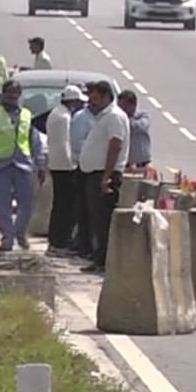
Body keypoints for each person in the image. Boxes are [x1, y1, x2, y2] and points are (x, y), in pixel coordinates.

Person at [0, 79, 46, 251]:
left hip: (24, 164)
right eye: (9, 92)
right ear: (4, 93)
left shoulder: (27, 115)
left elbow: (35, 141)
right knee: (2, 204)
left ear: (20, 95)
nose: (12, 96)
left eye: (16, 92)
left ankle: (20, 233)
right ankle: (7, 237)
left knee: (27, 203)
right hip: (1, 165)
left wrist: (40, 163)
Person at [78, 81, 129, 273]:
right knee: (97, 220)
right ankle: (99, 258)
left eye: (97, 99)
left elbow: (115, 145)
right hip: (96, 173)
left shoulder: (114, 117)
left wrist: (106, 176)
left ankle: (103, 261)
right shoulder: (104, 117)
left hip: (104, 174)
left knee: (102, 220)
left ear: (107, 96)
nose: (93, 103)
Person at [47, 85, 85, 256]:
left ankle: (56, 241)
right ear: (72, 102)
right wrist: (72, 164)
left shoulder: (55, 113)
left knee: (59, 205)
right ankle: (60, 242)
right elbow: (65, 143)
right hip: (64, 167)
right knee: (65, 207)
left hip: (55, 164)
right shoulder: (64, 118)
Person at [69, 88, 98, 261]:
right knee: (84, 209)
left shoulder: (100, 118)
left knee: (91, 210)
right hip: (82, 166)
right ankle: (83, 245)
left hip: (93, 167)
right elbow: (76, 143)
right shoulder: (81, 118)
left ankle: (87, 245)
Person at [118, 90, 151, 170]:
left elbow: (141, 126)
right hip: (123, 164)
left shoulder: (143, 116)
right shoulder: (117, 117)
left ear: (133, 105)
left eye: (124, 106)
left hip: (142, 163)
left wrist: (125, 120)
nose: (122, 109)